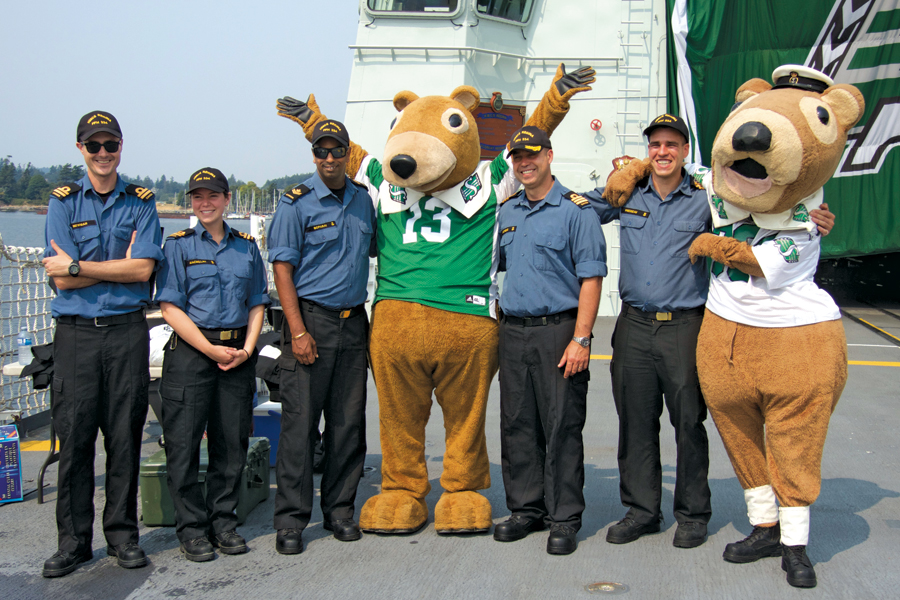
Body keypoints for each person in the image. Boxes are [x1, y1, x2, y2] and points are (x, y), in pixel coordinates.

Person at [586, 114, 836, 550]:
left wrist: (816, 216)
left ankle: (692, 515)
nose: (662, 151)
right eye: (655, 145)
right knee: (635, 423)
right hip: (633, 325)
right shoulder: (629, 192)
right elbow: (577, 207)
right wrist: (622, 175)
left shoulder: (708, 195)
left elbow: (763, 203)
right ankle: (641, 511)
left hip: (685, 327)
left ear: (686, 151)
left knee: (688, 423)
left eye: (672, 144)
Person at [41, 111, 163, 577]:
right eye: (93, 145)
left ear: (121, 147)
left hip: (127, 330)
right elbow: (61, 279)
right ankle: (73, 542)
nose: (103, 153)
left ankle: (122, 536)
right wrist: (113, 269)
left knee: (124, 435)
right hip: (76, 335)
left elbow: (143, 270)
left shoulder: (141, 202)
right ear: (81, 150)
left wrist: (79, 266)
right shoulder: (63, 202)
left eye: (110, 144)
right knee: (75, 438)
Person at [493, 127, 607, 555]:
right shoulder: (507, 212)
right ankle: (527, 508)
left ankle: (564, 517)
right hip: (513, 330)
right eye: (518, 157)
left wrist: (581, 338)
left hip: (559, 330)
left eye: (532, 155)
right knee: (517, 422)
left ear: (549, 156)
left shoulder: (576, 212)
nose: (525, 163)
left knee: (562, 425)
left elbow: (591, 278)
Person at [267, 119, 375, 554]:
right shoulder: (295, 203)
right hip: (310, 321)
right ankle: (291, 521)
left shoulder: (364, 201)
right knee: (300, 426)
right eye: (321, 151)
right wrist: (297, 331)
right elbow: (282, 269)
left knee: (348, 424)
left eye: (336, 150)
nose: (329, 158)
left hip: (354, 323)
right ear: (313, 155)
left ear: (348, 153)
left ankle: (339, 511)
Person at [155, 167, 269, 561]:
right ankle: (191, 529)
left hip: (237, 354)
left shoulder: (246, 247)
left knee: (231, 443)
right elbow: (170, 307)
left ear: (227, 199)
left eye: (213, 196)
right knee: (183, 443)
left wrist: (247, 350)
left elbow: (257, 302)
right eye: (198, 197)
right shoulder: (178, 246)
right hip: (192, 352)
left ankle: (223, 523)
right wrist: (209, 349)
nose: (205, 204)